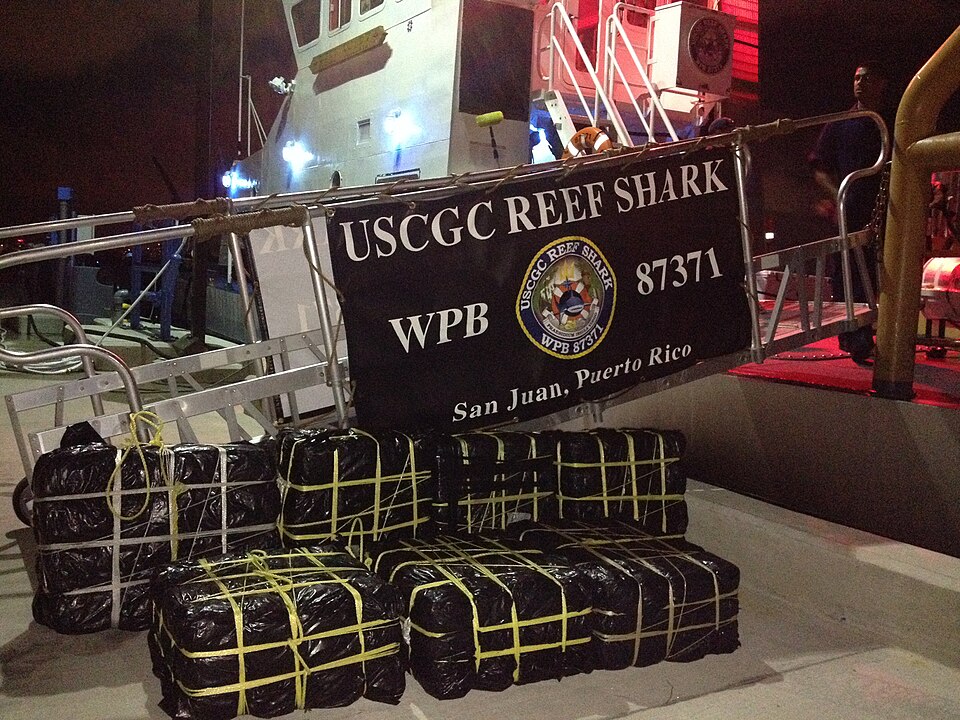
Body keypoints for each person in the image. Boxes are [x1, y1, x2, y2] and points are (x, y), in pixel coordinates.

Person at [809, 62, 889, 364]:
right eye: (856, 77)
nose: (859, 83)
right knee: (848, 273)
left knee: (876, 273)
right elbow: (819, 168)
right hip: (851, 213)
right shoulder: (841, 122)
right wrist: (839, 197)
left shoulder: (893, 119)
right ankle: (855, 336)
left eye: (866, 78)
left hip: (883, 211)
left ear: (881, 83)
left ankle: (868, 332)